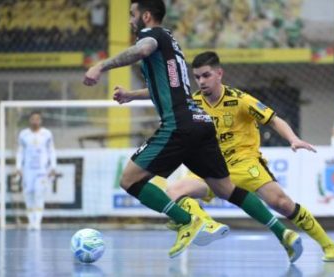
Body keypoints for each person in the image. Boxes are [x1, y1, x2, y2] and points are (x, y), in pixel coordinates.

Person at [83, 0, 303, 262]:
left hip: (178, 126)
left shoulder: (151, 36)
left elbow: (142, 49)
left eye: (132, 15)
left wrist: (101, 66)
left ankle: (187, 221)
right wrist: (132, 95)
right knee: (226, 189)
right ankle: (283, 234)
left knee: (129, 180)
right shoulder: (171, 44)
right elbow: (175, 91)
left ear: (146, 16)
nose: (130, 21)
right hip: (200, 121)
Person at [164, 51, 334, 262]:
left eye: (206, 75)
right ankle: (204, 223)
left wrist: (293, 139)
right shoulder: (193, 104)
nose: (201, 81)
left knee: (283, 204)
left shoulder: (239, 100)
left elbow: (274, 120)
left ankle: (329, 246)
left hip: (244, 163)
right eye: (197, 77)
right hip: (210, 167)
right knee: (174, 191)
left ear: (219, 73)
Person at [15, 111, 57, 230]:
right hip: (28, 170)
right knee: (28, 193)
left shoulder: (47, 134)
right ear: (30, 120)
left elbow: (51, 151)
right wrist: (18, 167)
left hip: (42, 170)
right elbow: (20, 151)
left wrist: (53, 166)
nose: (35, 121)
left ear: (40, 121)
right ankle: (30, 220)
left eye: (37, 119)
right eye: (33, 119)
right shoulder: (24, 134)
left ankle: (37, 221)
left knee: (39, 193)